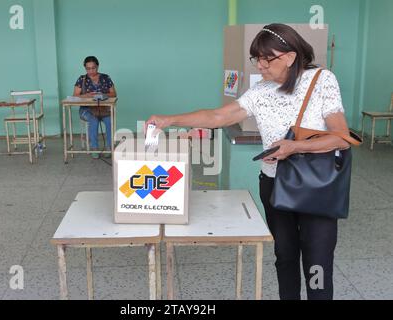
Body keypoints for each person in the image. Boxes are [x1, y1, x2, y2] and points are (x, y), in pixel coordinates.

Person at [147, 23, 351, 300]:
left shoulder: (322, 80)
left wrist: (296, 146)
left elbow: (341, 137)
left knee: (317, 262)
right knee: (285, 256)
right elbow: (218, 117)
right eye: (257, 59)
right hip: (275, 184)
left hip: (316, 187)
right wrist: (170, 120)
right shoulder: (260, 92)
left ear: (290, 57)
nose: (260, 66)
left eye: (267, 59)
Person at [73, 56, 117, 159]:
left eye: (93, 68)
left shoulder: (106, 78)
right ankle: (94, 148)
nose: (91, 71)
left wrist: (103, 94)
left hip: (103, 109)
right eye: (88, 68)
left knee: (109, 120)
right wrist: (87, 95)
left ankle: (108, 147)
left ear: (97, 66)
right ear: (85, 68)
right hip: (86, 109)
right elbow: (75, 96)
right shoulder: (82, 79)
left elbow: (114, 94)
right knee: (93, 120)